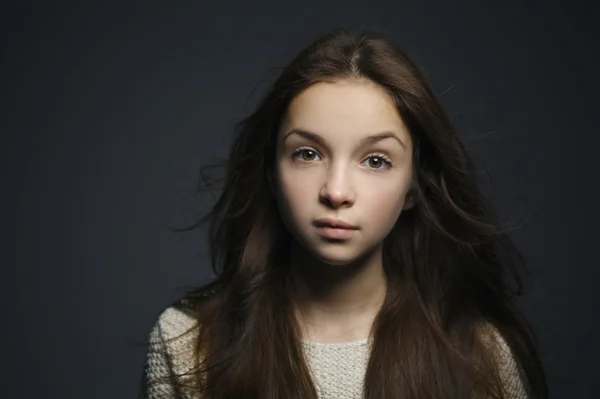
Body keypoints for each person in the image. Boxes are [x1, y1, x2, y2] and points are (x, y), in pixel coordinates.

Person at [140, 28, 548, 398]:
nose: (336, 191)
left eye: (376, 161)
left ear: (413, 187)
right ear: (270, 172)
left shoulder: (479, 355)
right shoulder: (189, 343)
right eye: (308, 153)